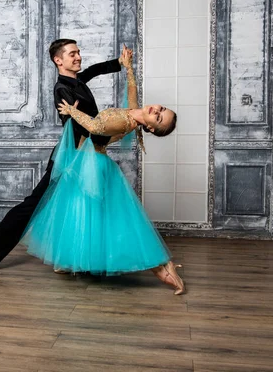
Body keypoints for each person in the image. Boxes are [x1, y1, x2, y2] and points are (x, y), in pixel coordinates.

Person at [19, 47, 186, 295]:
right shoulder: (136, 114)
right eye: (162, 109)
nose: (157, 111)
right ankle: (71, 260)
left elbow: (96, 127)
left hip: (91, 163)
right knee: (89, 215)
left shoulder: (125, 121)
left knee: (99, 216)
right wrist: (127, 68)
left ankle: (162, 267)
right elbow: (132, 96)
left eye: (159, 118)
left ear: (150, 129)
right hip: (92, 160)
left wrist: (71, 111)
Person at [0, 39, 130, 275]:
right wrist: (105, 130)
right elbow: (75, 127)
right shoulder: (62, 89)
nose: (78, 57)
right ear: (58, 60)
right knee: (32, 206)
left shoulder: (78, 81)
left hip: (88, 155)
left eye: (78, 52)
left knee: (94, 204)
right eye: (72, 54)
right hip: (70, 159)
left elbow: (94, 70)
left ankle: (87, 260)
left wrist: (119, 63)